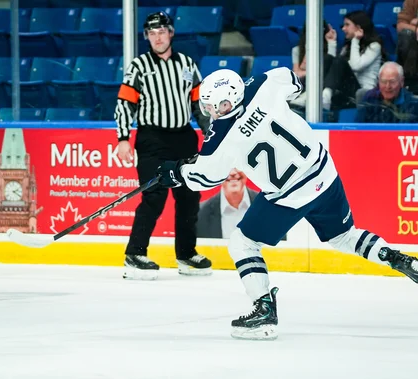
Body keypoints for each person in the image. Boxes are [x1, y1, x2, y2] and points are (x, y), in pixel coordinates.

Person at [156, 67, 418, 340]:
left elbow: (202, 178)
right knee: (344, 236)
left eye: (214, 105)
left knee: (242, 242)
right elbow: (294, 83)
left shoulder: (221, 138)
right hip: (323, 173)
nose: (212, 112)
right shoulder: (261, 84)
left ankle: (264, 308)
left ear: (228, 101)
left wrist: (175, 171)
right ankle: (397, 258)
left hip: (290, 195)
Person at [114, 12, 211, 280]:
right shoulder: (139, 66)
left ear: (171, 33)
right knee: (154, 195)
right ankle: (135, 254)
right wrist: (123, 138)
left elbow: (199, 104)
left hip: (183, 137)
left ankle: (186, 254)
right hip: (152, 139)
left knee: (189, 196)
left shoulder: (188, 64)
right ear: (147, 36)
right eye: (151, 33)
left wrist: (211, 133)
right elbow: (125, 103)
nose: (157, 37)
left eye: (161, 32)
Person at [322, 11, 384, 110]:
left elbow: (356, 66)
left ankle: (326, 95)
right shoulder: (348, 46)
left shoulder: (374, 46)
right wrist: (331, 43)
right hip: (348, 89)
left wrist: (356, 40)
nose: (343, 28)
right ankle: (318, 95)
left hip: (364, 92)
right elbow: (332, 65)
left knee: (340, 61)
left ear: (359, 27)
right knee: (328, 59)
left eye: (347, 25)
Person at [197, 168, 258, 239]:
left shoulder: (268, 208)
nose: (233, 173)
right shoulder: (200, 214)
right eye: (227, 165)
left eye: (237, 165)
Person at [396, 0, 418, 94]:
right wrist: (415, 28)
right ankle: (409, 82)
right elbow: (400, 26)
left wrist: (415, 21)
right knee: (406, 35)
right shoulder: (412, 1)